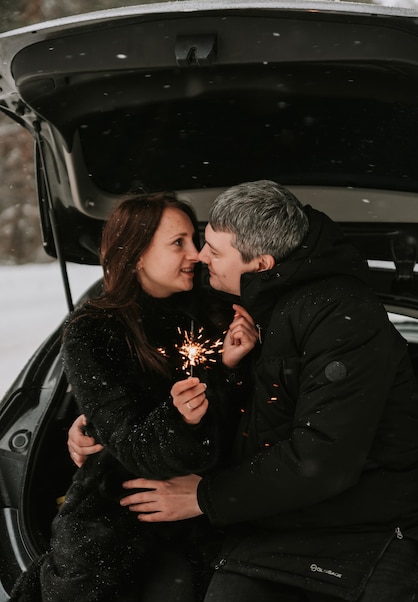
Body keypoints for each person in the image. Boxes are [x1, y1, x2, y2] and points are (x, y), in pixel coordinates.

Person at [72, 180, 418, 601]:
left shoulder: (331, 315)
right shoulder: (253, 306)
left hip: (348, 530)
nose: (199, 256)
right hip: (264, 518)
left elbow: (323, 455)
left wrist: (205, 496)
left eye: (211, 249)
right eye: (187, 242)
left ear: (262, 264)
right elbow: (242, 409)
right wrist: (96, 423)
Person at [10, 191, 258, 602]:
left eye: (194, 241)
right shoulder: (94, 330)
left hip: (210, 520)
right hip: (115, 529)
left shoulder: (219, 315)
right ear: (136, 253)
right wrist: (179, 418)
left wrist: (229, 370)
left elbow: (245, 429)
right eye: (178, 242)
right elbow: (132, 445)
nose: (195, 254)